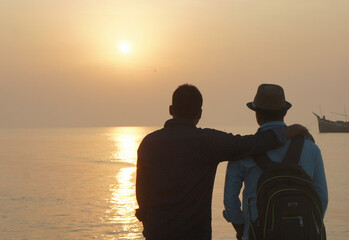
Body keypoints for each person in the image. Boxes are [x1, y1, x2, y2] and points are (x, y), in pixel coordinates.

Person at [135, 84, 313, 240]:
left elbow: (142, 195)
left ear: (171, 109)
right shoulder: (207, 141)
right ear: (200, 113)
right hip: (194, 234)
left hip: (157, 232)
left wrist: (148, 225)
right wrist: (291, 131)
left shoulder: (148, 144)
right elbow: (251, 144)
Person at [223, 84, 328, 240]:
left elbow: (230, 202)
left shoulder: (243, 153)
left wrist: (242, 229)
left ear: (257, 114)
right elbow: (322, 198)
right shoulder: (311, 149)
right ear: (285, 112)